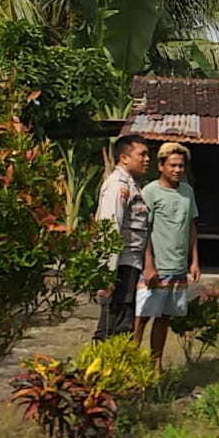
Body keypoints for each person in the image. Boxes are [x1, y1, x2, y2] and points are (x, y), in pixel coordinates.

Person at [134, 141, 201, 373]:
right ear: (160, 165)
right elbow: (143, 229)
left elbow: (191, 225)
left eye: (181, 165)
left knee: (163, 317)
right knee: (142, 317)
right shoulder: (150, 192)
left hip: (178, 266)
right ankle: (130, 363)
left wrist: (194, 261)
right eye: (172, 165)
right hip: (156, 267)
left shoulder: (187, 191)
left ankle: (156, 366)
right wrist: (148, 264)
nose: (177, 170)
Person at [92, 135, 153, 342]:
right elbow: (110, 229)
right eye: (142, 154)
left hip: (130, 265)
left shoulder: (132, 185)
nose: (147, 159)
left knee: (123, 325)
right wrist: (107, 273)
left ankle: (113, 370)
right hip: (120, 266)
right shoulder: (118, 186)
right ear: (124, 158)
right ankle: (100, 371)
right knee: (112, 325)